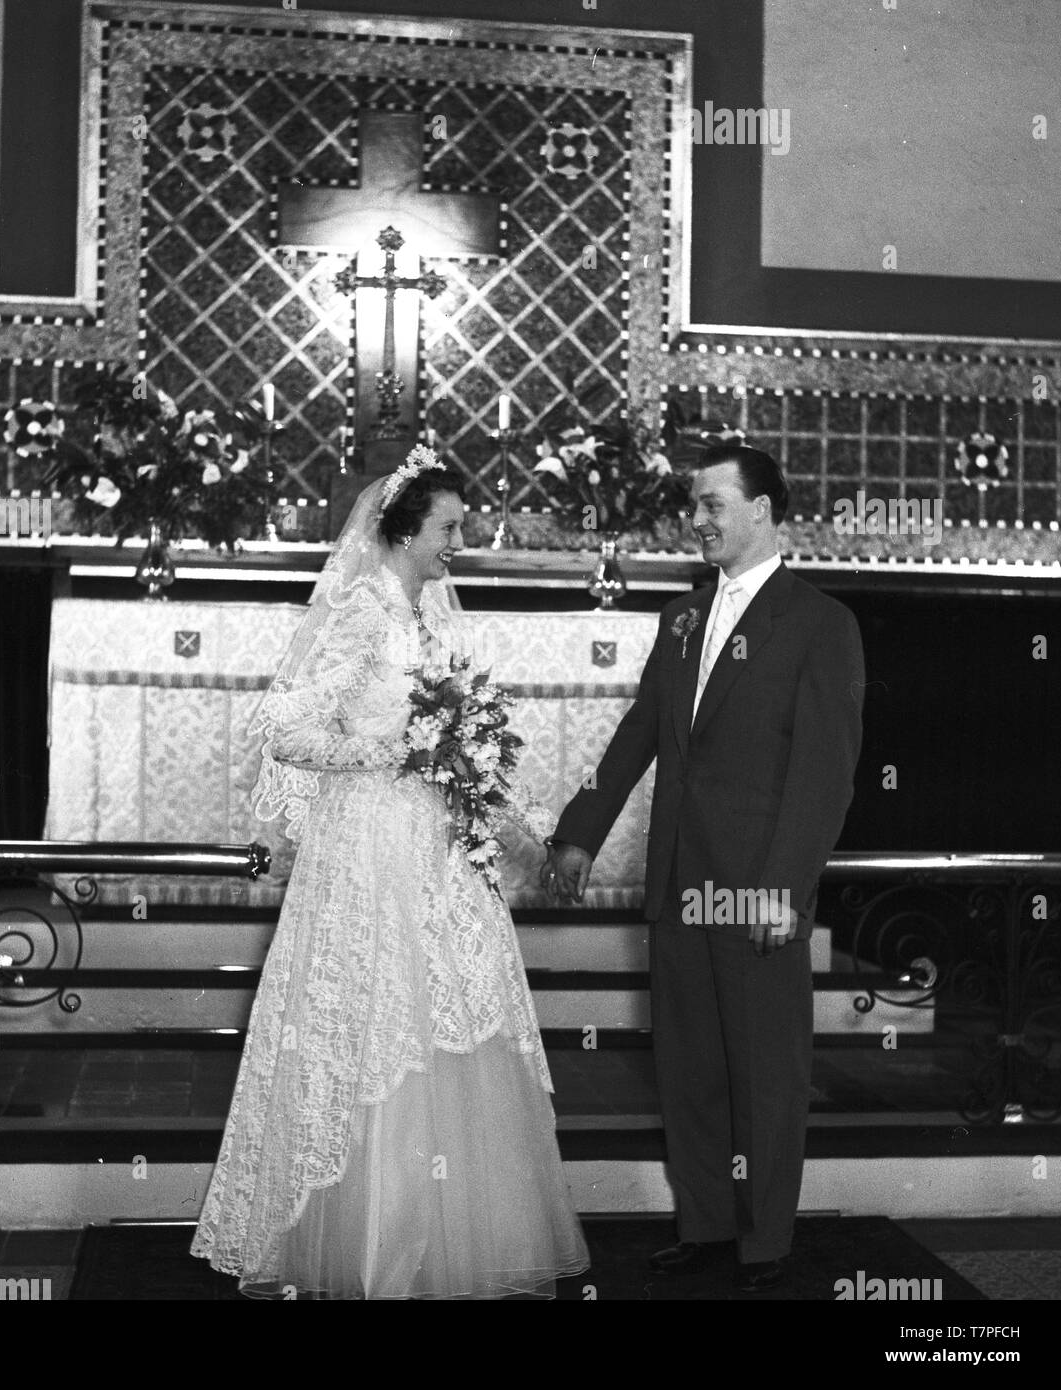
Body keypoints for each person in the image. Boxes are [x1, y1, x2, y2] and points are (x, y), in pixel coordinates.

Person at [190, 447, 589, 1298]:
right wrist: (382, 751)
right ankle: (360, 1240)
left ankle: (441, 1242)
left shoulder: (431, 621)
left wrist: (520, 827)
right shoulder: (363, 615)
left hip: (436, 854)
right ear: (405, 530)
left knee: (444, 1018)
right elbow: (281, 728)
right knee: (372, 1024)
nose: (459, 541)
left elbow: (461, 744)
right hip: (367, 848)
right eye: (449, 527)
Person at [543, 444, 865, 1294]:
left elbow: (825, 775)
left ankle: (765, 1241)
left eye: (714, 504)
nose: (699, 520)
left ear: (762, 510)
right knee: (688, 1067)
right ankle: (705, 1223)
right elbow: (640, 735)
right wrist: (580, 834)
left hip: (754, 888)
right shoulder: (681, 617)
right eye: (695, 505)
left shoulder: (821, 623)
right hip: (678, 884)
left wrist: (785, 888)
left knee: (764, 1068)